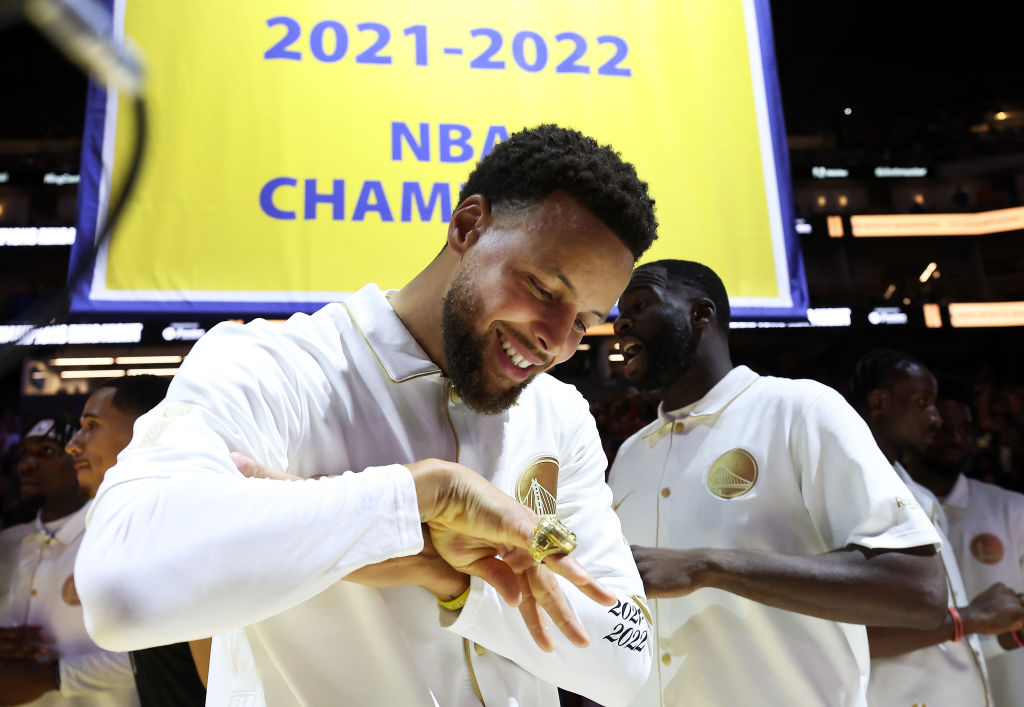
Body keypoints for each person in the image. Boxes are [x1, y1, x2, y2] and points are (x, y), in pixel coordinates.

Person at [75, 124, 659, 706]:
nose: (557, 343)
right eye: (543, 288)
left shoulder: (560, 413)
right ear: (467, 226)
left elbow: (628, 663)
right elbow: (120, 592)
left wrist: (453, 578)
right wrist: (416, 499)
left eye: (584, 320)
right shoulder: (275, 366)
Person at [607, 260, 947, 707]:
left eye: (640, 304)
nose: (621, 322)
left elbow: (919, 591)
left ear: (701, 315)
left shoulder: (800, 409)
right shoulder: (629, 455)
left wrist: (709, 566)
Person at [851, 350, 1024, 707]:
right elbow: (846, 633)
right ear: (880, 402)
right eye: (924, 403)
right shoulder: (847, 487)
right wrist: (972, 618)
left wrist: (1004, 629)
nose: (935, 418)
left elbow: (951, 636)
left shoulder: (919, 495)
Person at [66, 375, 208, 707]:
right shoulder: (144, 525)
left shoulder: (182, 524)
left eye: (91, 425)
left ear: (144, 429)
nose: (73, 443)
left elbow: (220, 680)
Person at [0, 417, 138, 706]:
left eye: (47, 452)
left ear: (78, 458)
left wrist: (52, 677)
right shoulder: (8, 543)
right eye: (23, 453)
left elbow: (156, 653)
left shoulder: (119, 531)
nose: (26, 465)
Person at [906, 378, 1024, 706]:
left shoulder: (1013, 508)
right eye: (945, 427)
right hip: (920, 679)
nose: (956, 438)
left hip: (1009, 677)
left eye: (964, 429)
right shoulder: (893, 505)